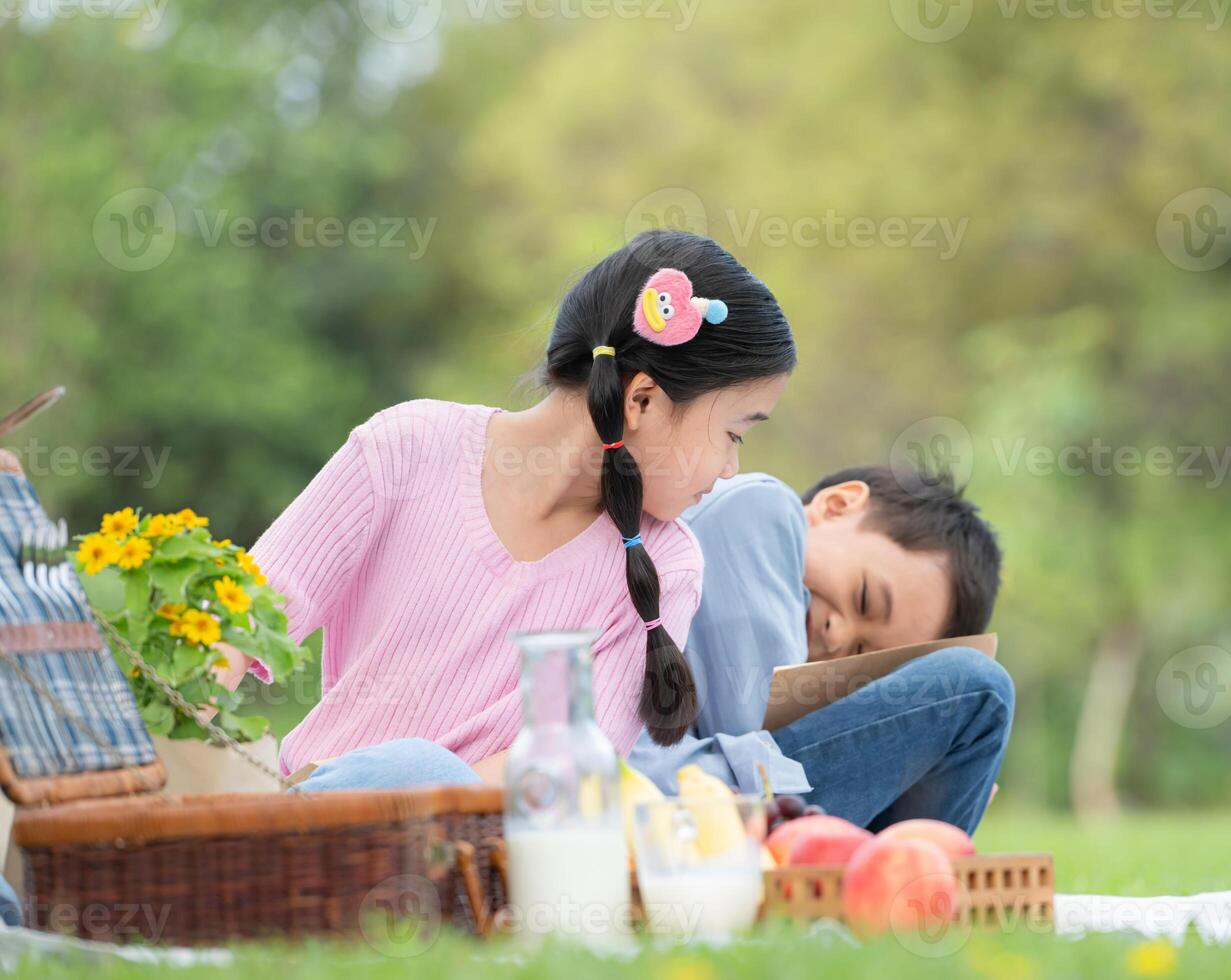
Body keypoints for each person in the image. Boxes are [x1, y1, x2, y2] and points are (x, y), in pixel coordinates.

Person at [216, 231, 796, 788]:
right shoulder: (408, 448)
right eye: (734, 433)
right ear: (641, 400)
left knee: (419, 770)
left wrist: (400, 794)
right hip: (301, 833)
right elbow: (234, 623)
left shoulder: (667, 565)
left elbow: (561, 770)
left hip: (474, 860)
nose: (729, 471)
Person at [628, 465, 1012, 835]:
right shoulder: (758, 510)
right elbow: (751, 740)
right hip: (661, 797)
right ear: (839, 505)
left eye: (861, 653)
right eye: (864, 598)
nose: (836, 637)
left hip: (694, 812)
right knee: (978, 688)